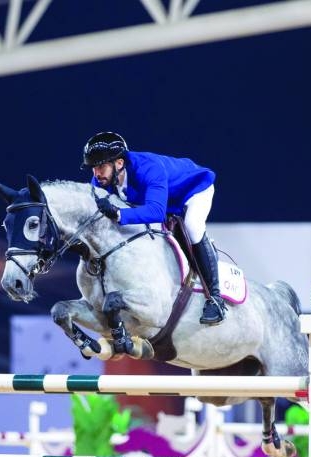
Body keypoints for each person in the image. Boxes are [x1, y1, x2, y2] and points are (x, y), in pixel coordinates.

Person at [82, 131, 225, 325]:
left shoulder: (149, 168)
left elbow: (156, 211)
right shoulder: (101, 180)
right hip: (164, 199)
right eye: (93, 168)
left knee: (193, 228)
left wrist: (118, 213)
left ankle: (216, 299)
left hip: (192, 190)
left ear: (119, 163)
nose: (96, 173)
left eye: (101, 166)